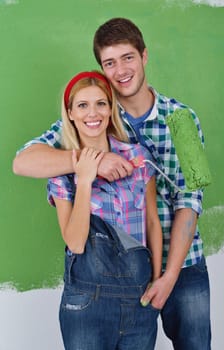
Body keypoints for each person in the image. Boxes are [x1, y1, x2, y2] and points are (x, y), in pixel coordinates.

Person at [13, 18, 211, 350]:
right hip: (113, 275)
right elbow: (23, 161)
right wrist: (92, 160)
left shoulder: (181, 119)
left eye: (128, 57)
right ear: (102, 70)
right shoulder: (95, 113)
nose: (121, 69)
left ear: (144, 56)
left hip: (183, 264)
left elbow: (189, 200)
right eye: (110, 62)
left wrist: (168, 274)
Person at [46, 70, 162, 350]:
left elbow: (152, 223)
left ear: (111, 109)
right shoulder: (61, 171)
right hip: (86, 304)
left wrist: (157, 282)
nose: (92, 113)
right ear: (71, 113)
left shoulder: (138, 158)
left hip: (140, 301)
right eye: (82, 105)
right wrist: (84, 178)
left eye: (101, 103)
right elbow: (74, 242)